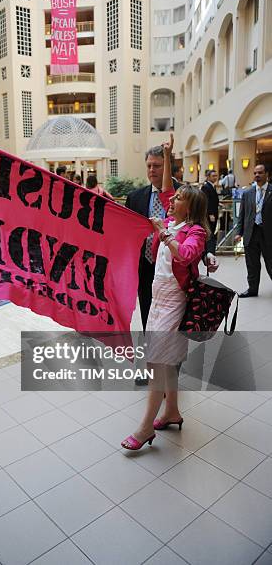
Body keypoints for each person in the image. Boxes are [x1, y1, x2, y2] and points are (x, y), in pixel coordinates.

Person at [121, 140, 210, 450]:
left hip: (174, 303)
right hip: (157, 301)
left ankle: (146, 427)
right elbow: (167, 186)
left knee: (158, 362)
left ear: (190, 207)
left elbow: (185, 256)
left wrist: (167, 234)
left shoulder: (193, 231)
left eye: (179, 198)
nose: (172, 200)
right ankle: (171, 411)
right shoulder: (173, 221)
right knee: (163, 361)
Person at [235, 163, 272, 298]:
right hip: (251, 233)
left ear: (267, 174)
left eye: (260, 173)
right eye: (255, 173)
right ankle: (252, 289)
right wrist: (239, 232)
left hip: (268, 234)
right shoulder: (247, 193)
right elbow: (242, 215)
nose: (257, 175)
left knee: (270, 263)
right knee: (252, 264)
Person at [201, 169, 219, 255]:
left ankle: (209, 251)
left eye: (216, 176)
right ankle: (208, 252)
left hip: (214, 213)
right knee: (209, 233)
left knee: (212, 232)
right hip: (209, 215)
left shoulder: (211, 186)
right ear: (208, 177)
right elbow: (206, 201)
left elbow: (213, 200)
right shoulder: (206, 187)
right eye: (213, 176)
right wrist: (210, 213)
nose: (215, 178)